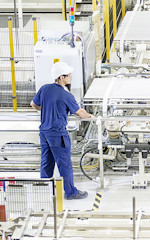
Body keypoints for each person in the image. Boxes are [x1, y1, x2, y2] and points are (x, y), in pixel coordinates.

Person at [30, 61, 93, 200]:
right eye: (69, 75)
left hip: (44, 133)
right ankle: (71, 192)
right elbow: (80, 113)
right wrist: (93, 117)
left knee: (46, 162)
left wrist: (47, 109)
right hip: (58, 134)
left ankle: (44, 190)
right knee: (64, 164)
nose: (71, 77)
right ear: (61, 77)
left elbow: (33, 104)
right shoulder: (66, 96)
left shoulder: (44, 89)